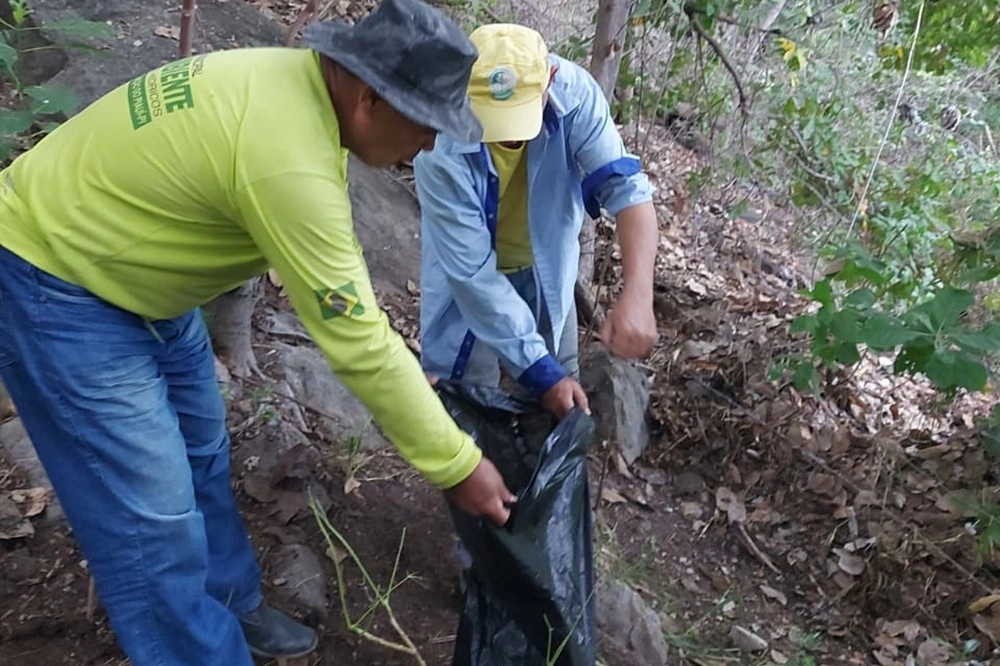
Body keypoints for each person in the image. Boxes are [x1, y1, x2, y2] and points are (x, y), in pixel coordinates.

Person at [0, 1, 517, 664]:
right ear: (369, 97)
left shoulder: (295, 86)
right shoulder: (288, 157)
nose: (431, 145)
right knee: (150, 519)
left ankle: (229, 604)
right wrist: (457, 465)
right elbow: (356, 339)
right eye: (426, 126)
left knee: (201, 448)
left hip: (134, 275)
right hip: (57, 281)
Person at [414, 24, 660, 418]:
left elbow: (628, 191)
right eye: (494, 120)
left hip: (547, 267)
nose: (508, 138)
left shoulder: (576, 99)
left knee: (563, 398)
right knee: (466, 402)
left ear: (550, 80)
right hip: (466, 277)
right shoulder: (438, 139)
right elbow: (473, 276)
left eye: (519, 117)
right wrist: (542, 375)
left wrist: (639, 293)